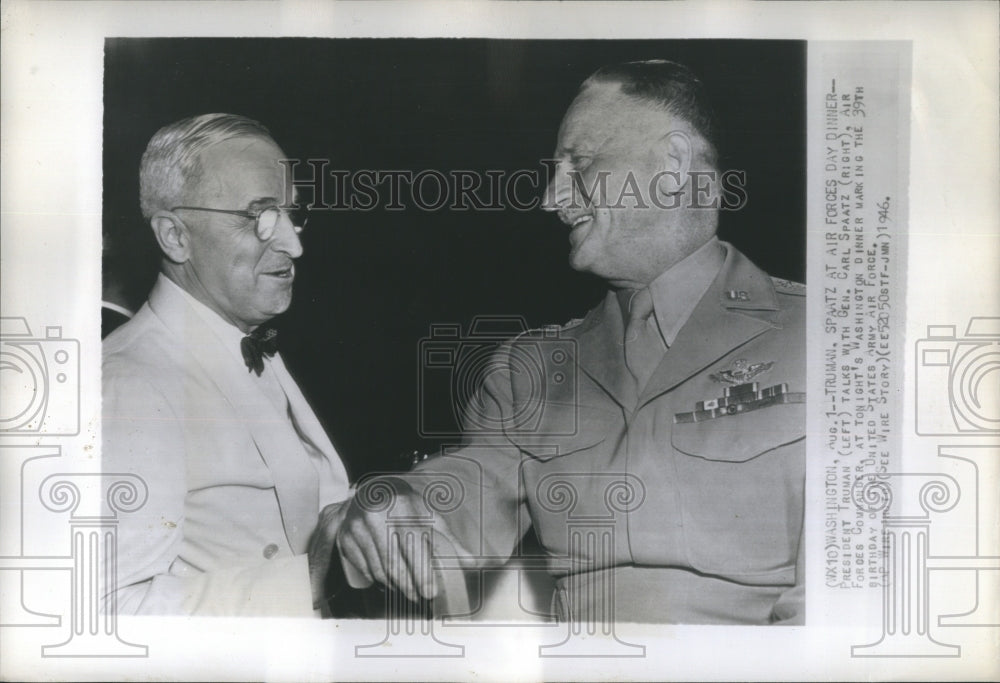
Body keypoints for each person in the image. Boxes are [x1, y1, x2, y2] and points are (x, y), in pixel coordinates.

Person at [337, 60, 806, 625]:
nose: (552, 198)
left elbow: (848, 593)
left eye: (578, 164)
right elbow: (471, 482)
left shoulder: (824, 338)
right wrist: (393, 502)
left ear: (674, 164)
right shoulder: (531, 368)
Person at [103, 113, 351, 616]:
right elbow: (108, 615)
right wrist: (311, 579)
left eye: (290, 214)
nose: (293, 245)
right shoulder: (130, 381)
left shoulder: (246, 344)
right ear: (175, 236)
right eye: (258, 215)